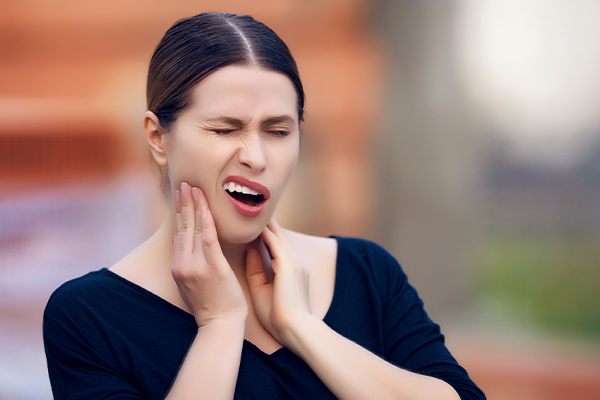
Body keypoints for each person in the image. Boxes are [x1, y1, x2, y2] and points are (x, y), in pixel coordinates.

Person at [42, 11, 486, 400]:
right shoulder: (87, 315)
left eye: (277, 130)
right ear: (158, 137)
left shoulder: (366, 272)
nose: (256, 156)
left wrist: (304, 329)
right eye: (224, 129)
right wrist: (219, 323)